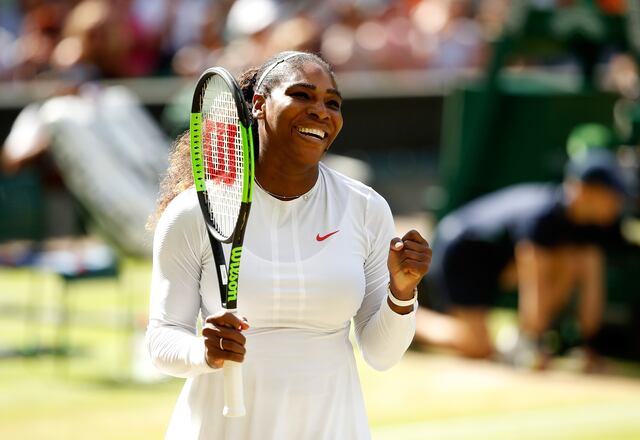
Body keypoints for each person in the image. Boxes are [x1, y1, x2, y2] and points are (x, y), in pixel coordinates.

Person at [146, 51, 432, 439]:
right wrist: (204, 352)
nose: (321, 111)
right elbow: (162, 340)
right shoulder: (193, 212)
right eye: (302, 95)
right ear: (259, 105)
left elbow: (382, 355)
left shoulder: (366, 208)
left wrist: (402, 292)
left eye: (332, 103)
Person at [414, 149, 627, 369]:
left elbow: (589, 283)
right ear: (585, 190)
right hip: (461, 251)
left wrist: (589, 345)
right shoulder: (543, 218)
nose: (618, 204)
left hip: (494, 262)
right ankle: (402, 319)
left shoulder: (588, 229)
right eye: (612, 195)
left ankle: (520, 340)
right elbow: (534, 285)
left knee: (572, 262)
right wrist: (532, 345)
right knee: (477, 346)